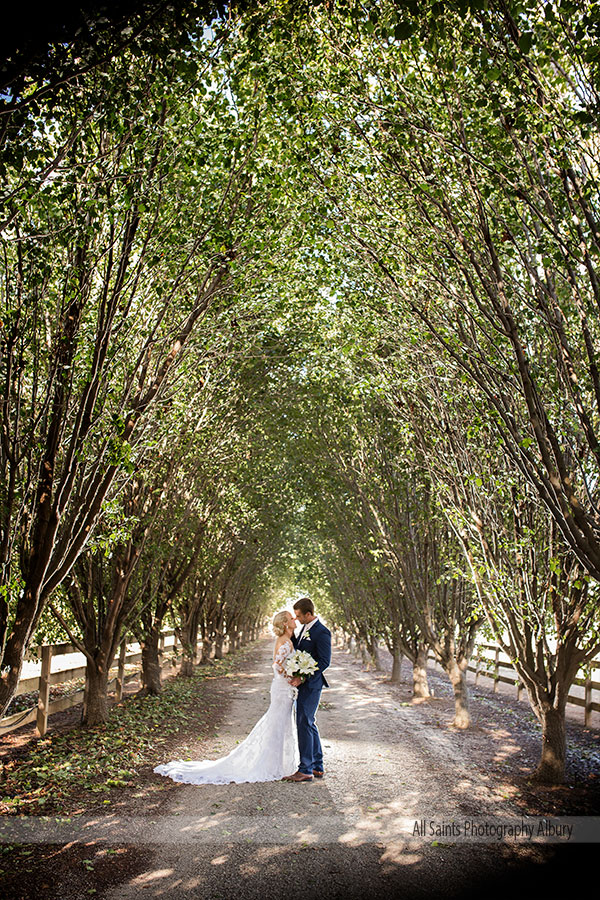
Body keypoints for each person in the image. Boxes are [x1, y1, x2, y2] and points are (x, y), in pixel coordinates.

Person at [153, 610, 300, 784]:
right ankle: (270, 765)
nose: (295, 620)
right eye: (292, 618)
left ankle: (278, 763)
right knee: (277, 723)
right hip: (283, 689)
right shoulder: (284, 642)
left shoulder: (287, 640)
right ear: (285, 623)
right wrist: (292, 678)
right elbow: (278, 665)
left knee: (280, 723)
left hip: (283, 689)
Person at [282, 597, 331, 783]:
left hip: (312, 685)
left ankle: (305, 769)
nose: (297, 619)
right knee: (309, 723)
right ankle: (317, 766)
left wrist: (303, 676)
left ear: (308, 614)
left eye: (299, 616)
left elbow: (325, 661)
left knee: (304, 723)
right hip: (305, 685)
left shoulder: (322, 632)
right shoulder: (305, 629)